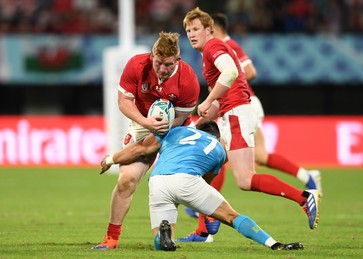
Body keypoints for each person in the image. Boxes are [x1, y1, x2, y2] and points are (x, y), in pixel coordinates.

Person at [178, 7, 320, 242]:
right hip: (232, 113)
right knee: (207, 167)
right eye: (188, 30)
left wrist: (209, 99)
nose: (191, 34)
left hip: (236, 116)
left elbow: (232, 72)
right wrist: (198, 122)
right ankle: (205, 227)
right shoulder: (209, 54)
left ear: (209, 30)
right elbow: (219, 98)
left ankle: (304, 198)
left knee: (245, 179)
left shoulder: (214, 46)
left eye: (195, 29)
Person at [99, 121, 306, 252]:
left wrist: (111, 159)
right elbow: (206, 182)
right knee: (232, 217)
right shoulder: (218, 148)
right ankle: (275, 245)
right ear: (217, 136)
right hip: (188, 181)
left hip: (158, 180)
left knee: (162, 241)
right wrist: (201, 207)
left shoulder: (176, 132)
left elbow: (141, 149)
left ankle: (163, 238)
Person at [92, 31, 200, 250]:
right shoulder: (136, 65)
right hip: (143, 122)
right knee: (126, 181)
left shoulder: (188, 80)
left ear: (177, 60)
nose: (162, 69)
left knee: (170, 183)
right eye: (158, 63)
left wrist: (113, 158)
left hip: (176, 128)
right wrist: (144, 121)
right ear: (152, 55)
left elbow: (166, 130)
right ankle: (111, 238)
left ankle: (189, 229)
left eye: (168, 65)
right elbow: (123, 101)